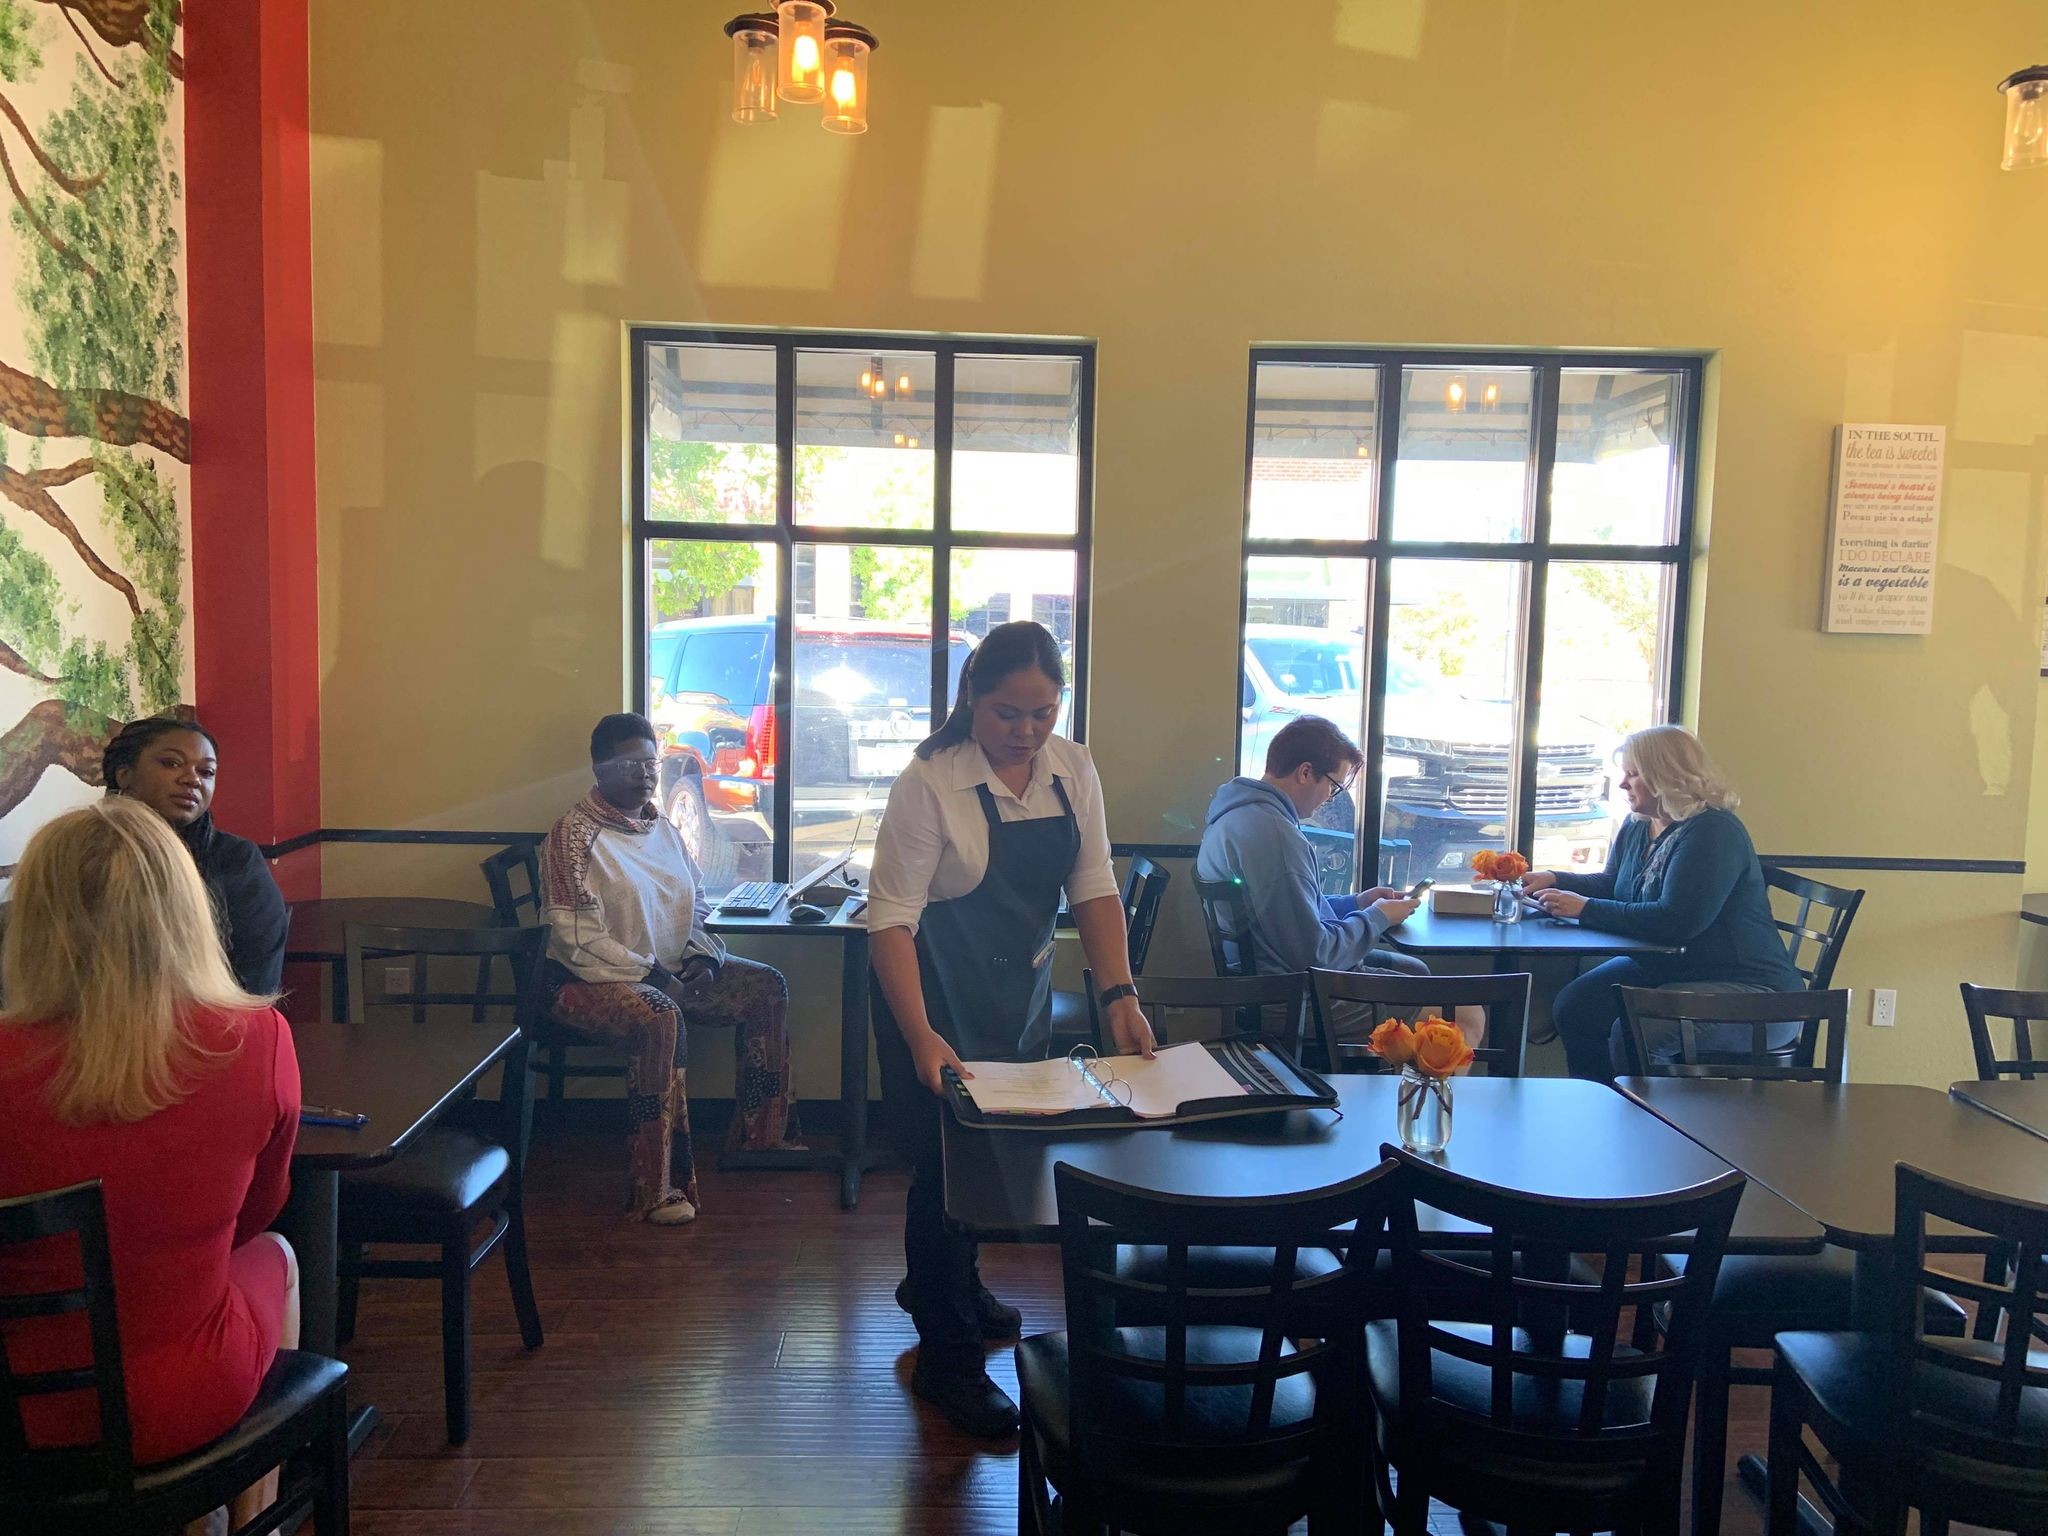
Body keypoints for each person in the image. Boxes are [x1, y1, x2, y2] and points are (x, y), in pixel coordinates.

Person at [867, 621, 1154, 1438]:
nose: (1026, 731)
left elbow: (1093, 888)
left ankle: (950, 1286)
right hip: (928, 998)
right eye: (1006, 713)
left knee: (997, 1157)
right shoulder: (930, 781)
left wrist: (1120, 995)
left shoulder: (1074, 768)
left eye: (1042, 712)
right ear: (971, 699)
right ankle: (948, 1360)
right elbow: (889, 921)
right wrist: (920, 1035)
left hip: (1014, 993)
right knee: (943, 1172)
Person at [0, 800, 301, 1533]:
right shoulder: (257, 1039)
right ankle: (238, 1515)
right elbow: (258, 1215)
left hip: (19, 1418)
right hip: (178, 1400)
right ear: (186, 909)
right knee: (279, 1255)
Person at [539, 712, 802, 1227]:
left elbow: (695, 900)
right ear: (599, 769)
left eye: (650, 763)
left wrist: (701, 957)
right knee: (661, 1018)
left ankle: (761, 1140)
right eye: (629, 765)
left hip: (673, 971)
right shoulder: (572, 836)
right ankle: (654, 1188)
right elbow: (575, 938)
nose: (643, 774)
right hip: (585, 980)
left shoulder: (661, 825)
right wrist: (659, 979)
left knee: (765, 987)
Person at [1528, 724, 1802, 1080]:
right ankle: (1599, 1102)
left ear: (1667, 777)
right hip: (1670, 972)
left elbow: (1677, 922)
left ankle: (1642, 1113)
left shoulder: (1713, 831)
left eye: (1633, 774)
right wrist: (1555, 879)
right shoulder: (1639, 824)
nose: (1622, 784)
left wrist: (1586, 909)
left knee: (1635, 1031)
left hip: (1752, 994)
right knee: (1576, 1007)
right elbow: (1614, 884)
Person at [1196, 716, 1486, 1046]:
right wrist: (1377, 917)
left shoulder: (1236, 814)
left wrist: (1356, 904)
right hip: (1297, 999)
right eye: (1334, 787)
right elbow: (1314, 954)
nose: (1330, 798)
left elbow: (1284, 910)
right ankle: (1410, 1079)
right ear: (1306, 772)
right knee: (1467, 1014)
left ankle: (1398, 1070)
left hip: (1265, 984)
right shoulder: (1276, 835)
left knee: (1415, 971)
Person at [102, 716, 290, 996]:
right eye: (171, 763)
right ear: (124, 775)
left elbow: (256, 982)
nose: (192, 779)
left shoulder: (235, 859)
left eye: (206, 772)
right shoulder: (80, 851)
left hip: (212, 1015)